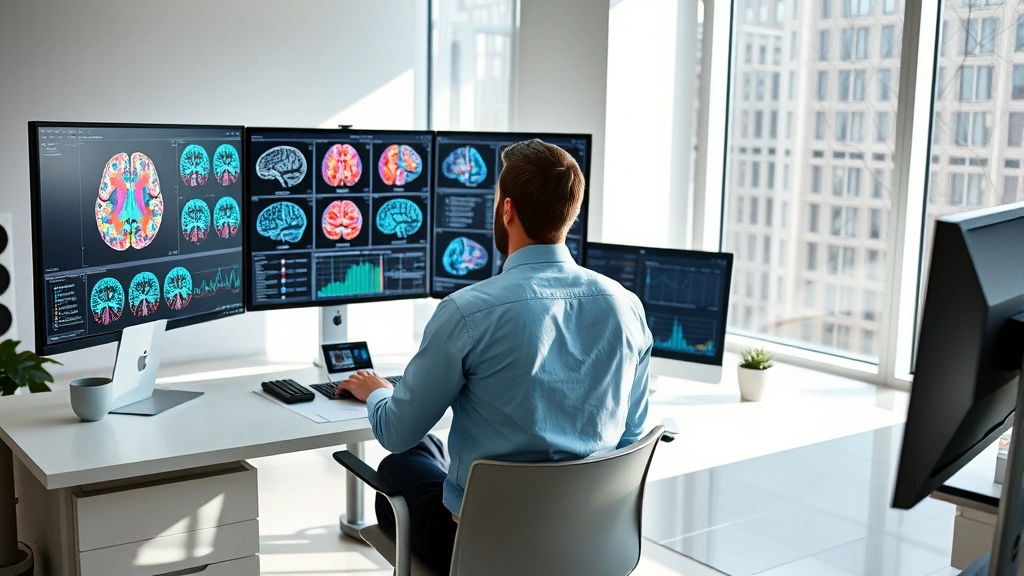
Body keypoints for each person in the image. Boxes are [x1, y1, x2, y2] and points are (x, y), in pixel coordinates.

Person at [338, 139, 652, 574]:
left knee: (401, 459)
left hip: (478, 549)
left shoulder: (467, 311)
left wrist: (377, 392)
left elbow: (394, 430)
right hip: (586, 541)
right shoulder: (626, 306)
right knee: (432, 447)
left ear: (506, 210)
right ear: (570, 213)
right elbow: (631, 434)